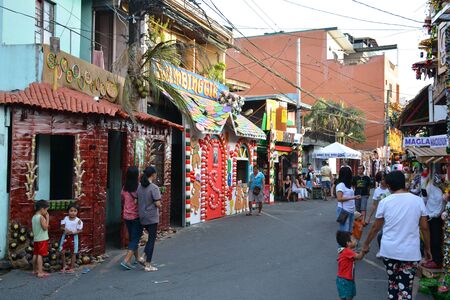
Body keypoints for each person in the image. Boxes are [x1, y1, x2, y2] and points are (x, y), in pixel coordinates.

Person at [362, 171, 432, 300]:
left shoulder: (385, 202)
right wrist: (427, 248)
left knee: (392, 285)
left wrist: (365, 244)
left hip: (389, 251)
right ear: (404, 183)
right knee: (405, 288)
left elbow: (375, 227)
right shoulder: (418, 201)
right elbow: (425, 227)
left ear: (388, 185)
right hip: (410, 252)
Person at [138, 166, 162, 272]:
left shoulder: (139, 187)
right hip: (151, 217)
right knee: (152, 239)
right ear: (153, 175)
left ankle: (143, 256)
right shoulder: (154, 188)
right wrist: (160, 205)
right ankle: (148, 264)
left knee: (150, 238)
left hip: (142, 216)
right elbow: (157, 203)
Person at [121, 166, 142, 270]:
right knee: (135, 238)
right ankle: (126, 260)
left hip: (126, 216)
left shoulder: (125, 187)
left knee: (132, 238)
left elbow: (122, 197)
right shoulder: (138, 187)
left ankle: (137, 258)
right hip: (136, 216)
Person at [422, 174, 445, 269]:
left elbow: (439, 210)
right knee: (428, 238)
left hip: (434, 219)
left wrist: (429, 215)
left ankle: (436, 260)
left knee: (435, 240)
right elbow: (425, 198)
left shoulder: (441, 195)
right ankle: (429, 258)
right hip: (428, 216)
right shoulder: (429, 187)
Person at [336, 231, 365, 300]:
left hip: (346, 278)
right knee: (348, 296)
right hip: (345, 279)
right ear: (348, 243)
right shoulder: (347, 251)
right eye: (353, 239)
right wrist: (364, 250)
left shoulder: (345, 251)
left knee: (349, 296)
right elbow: (359, 257)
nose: (355, 241)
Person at [59, 204, 83, 273]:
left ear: (77, 212)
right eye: (71, 211)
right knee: (62, 251)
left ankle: (72, 267)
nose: (73, 212)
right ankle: (64, 266)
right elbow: (61, 227)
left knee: (73, 252)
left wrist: (74, 232)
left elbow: (80, 230)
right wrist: (64, 229)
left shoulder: (78, 221)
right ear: (68, 211)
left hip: (74, 237)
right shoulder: (65, 218)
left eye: (75, 211)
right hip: (65, 237)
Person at [336, 167, 361, 233]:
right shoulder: (341, 185)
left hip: (350, 210)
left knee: (350, 231)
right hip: (343, 211)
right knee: (344, 232)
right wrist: (353, 197)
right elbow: (339, 198)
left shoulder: (348, 185)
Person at [32, 200, 50, 278]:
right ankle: (40, 272)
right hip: (42, 239)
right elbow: (45, 228)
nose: (46, 212)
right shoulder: (41, 217)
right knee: (40, 255)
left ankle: (34, 270)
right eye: (46, 210)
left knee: (35, 254)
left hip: (36, 238)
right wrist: (48, 218)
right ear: (42, 209)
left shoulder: (34, 217)